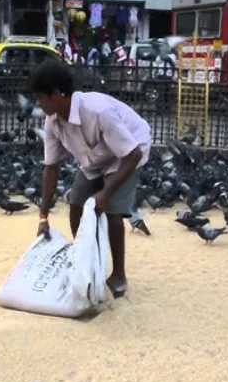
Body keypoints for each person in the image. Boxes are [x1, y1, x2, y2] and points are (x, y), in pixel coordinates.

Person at [30, 59, 151, 298]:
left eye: (41, 97)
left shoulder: (97, 111)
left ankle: (118, 274)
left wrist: (105, 194)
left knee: (112, 210)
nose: (38, 103)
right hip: (94, 157)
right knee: (76, 205)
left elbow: (133, 154)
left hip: (128, 152)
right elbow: (51, 168)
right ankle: (88, 262)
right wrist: (43, 216)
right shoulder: (52, 121)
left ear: (57, 94)